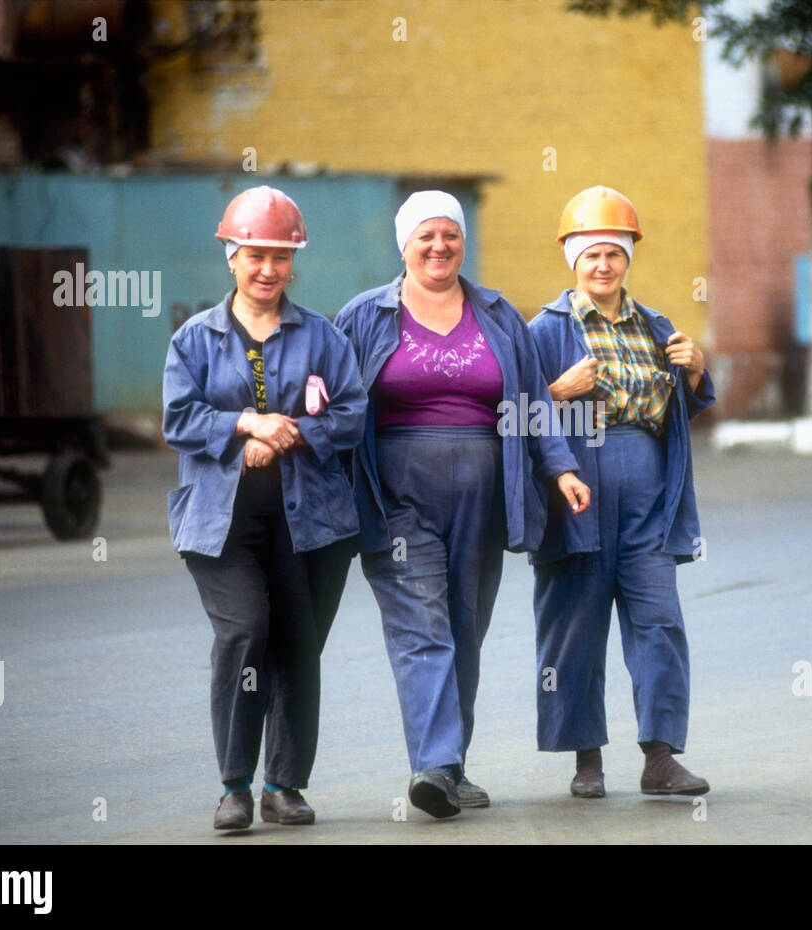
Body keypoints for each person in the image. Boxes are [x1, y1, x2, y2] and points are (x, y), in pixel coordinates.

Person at [335, 190, 590, 818]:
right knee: (422, 626)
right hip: (395, 497)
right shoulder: (366, 315)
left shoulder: (498, 315)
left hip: (487, 494)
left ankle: (451, 763)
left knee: (463, 629)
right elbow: (337, 401)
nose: (439, 246)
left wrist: (560, 469)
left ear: (462, 242)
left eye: (450, 234)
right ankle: (435, 765)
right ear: (404, 244)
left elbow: (532, 403)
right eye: (426, 236)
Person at [162, 186, 367, 831]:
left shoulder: (324, 338)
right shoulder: (195, 339)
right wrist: (246, 426)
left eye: (280, 256)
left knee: (298, 648)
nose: (267, 268)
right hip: (220, 523)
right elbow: (179, 417)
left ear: (292, 261)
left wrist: (293, 434)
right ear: (232, 256)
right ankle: (233, 785)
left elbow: (353, 412)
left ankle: (284, 784)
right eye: (255, 254)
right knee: (246, 630)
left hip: (313, 523)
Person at [527, 185, 715, 799]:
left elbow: (682, 410)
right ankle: (586, 761)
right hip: (574, 490)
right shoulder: (543, 333)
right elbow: (512, 416)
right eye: (591, 255)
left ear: (628, 257)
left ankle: (660, 758)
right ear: (572, 261)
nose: (603, 265)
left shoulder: (656, 326)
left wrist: (694, 371)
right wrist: (557, 393)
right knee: (575, 626)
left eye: (614, 253)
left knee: (659, 622)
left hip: (648, 496)